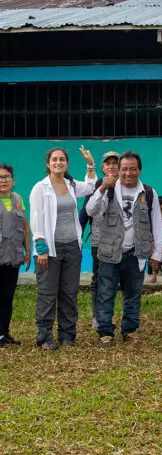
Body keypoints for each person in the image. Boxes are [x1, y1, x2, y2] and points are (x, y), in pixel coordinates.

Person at [86, 151, 162, 346]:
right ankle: (105, 331)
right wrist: (103, 187)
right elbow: (90, 210)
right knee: (106, 292)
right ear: (118, 170)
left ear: (139, 170)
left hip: (135, 253)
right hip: (109, 252)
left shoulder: (148, 192)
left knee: (133, 293)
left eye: (133, 169)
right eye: (124, 169)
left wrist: (156, 254)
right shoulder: (110, 190)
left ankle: (129, 329)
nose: (129, 173)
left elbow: (157, 225)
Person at [30, 146, 97, 349]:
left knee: (69, 292)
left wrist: (91, 164)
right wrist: (41, 248)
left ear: (67, 163)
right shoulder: (40, 188)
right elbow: (36, 217)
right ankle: (44, 336)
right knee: (48, 293)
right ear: (48, 164)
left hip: (71, 247)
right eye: (54, 160)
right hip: (49, 250)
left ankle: (67, 335)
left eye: (62, 160)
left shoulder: (71, 184)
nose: (58, 162)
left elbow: (91, 186)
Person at [79, 151, 119, 326]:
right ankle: (97, 316)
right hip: (99, 241)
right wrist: (77, 236)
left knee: (117, 279)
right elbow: (84, 212)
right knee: (99, 279)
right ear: (102, 167)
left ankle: (115, 314)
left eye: (114, 163)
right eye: (107, 163)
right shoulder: (95, 185)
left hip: (121, 242)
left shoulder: (126, 185)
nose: (111, 166)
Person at [0, 164, 30, 347]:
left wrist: (27, 249)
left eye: (6, 177)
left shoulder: (18, 199)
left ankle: (4, 333)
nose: (3, 180)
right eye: (0, 177)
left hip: (13, 257)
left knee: (7, 297)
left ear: (13, 181)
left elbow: (25, 226)